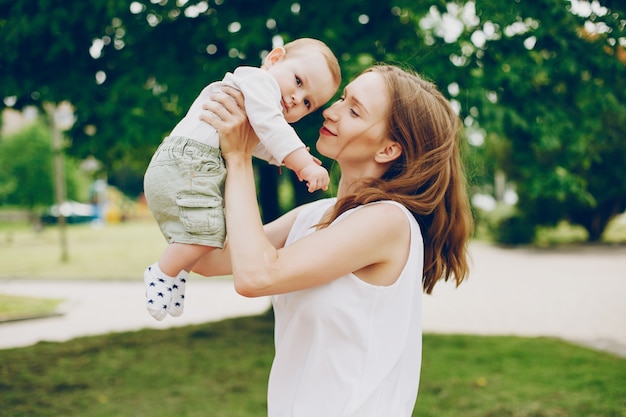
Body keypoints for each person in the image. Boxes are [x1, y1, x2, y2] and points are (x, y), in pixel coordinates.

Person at [193, 64, 473, 416]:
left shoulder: (388, 221)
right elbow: (205, 259)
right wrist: (191, 153)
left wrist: (238, 158)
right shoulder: (315, 216)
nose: (330, 111)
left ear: (389, 149)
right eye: (342, 98)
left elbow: (255, 276)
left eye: (354, 110)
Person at [142, 38, 341, 320]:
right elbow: (271, 127)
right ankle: (163, 272)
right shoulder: (259, 81)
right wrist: (304, 164)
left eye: (308, 102)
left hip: (192, 166)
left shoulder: (255, 102)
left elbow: (256, 142)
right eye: (298, 81)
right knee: (205, 231)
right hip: (189, 163)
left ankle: (174, 274)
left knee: (212, 233)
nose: (297, 98)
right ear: (274, 59)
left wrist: (285, 157)